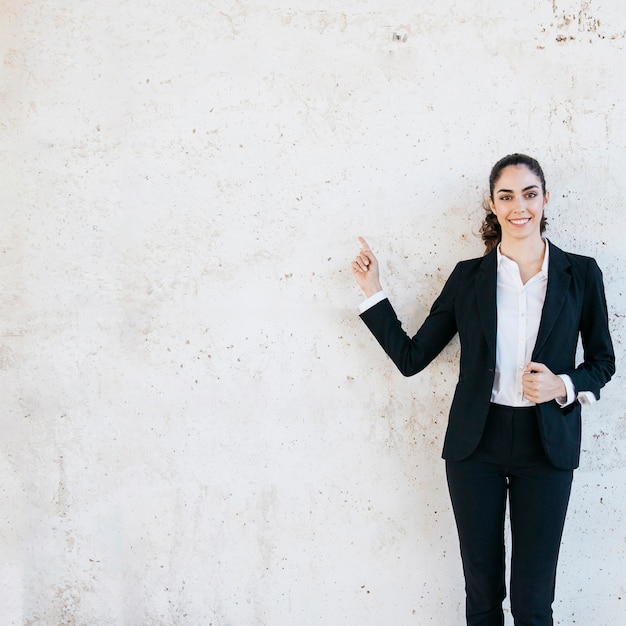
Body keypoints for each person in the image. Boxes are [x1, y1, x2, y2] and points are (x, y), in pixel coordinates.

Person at [351, 153, 615, 626]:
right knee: (482, 595)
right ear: (492, 205)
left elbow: (603, 362)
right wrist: (373, 290)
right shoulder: (468, 278)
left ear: (545, 199)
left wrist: (564, 384)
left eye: (529, 194)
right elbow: (412, 359)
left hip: (546, 447)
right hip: (476, 446)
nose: (520, 206)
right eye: (507, 196)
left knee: (534, 602)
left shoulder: (582, 273)